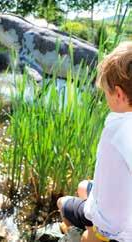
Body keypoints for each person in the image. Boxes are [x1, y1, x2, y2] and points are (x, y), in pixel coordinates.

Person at [57, 41, 132, 242]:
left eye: (106, 92)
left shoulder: (118, 128)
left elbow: (103, 204)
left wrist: (92, 230)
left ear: (118, 94)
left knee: (63, 202)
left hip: (115, 231)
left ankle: (74, 233)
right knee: (83, 186)